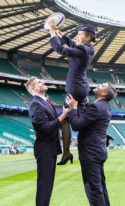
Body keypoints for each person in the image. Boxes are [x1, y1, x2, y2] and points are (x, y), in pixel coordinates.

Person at [66, 82, 116, 206]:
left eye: (102, 85)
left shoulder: (97, 107)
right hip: (98, 151)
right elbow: (90, 116)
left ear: (103, 93)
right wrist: (84, 104)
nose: (98, 85)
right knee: (101, 188)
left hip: (90, 153)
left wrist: (73, 108)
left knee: (94, 190)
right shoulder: (104, 106)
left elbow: (76, 125)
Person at [26, 77, 69, 206]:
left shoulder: (45, 102)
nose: (42, 82)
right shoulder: (35, 105)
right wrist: (63, 116)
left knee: (47, 188)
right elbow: (45, 129)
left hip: (49, 150)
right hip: (45, 151)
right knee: (44, 189)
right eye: (38, 82)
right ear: (33, 89)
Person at [49, 21, 96, 165]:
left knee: (65, 119)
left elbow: (61, 50)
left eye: (80, 34)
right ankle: (71, 151)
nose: (77, 36)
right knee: (78, 119)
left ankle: (67, 152)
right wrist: (61, 35)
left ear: (88, 37)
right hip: (80, 87)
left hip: (75, 89)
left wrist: (52, 33)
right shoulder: (86, 48)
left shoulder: (83, 50)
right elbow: (73, 44)